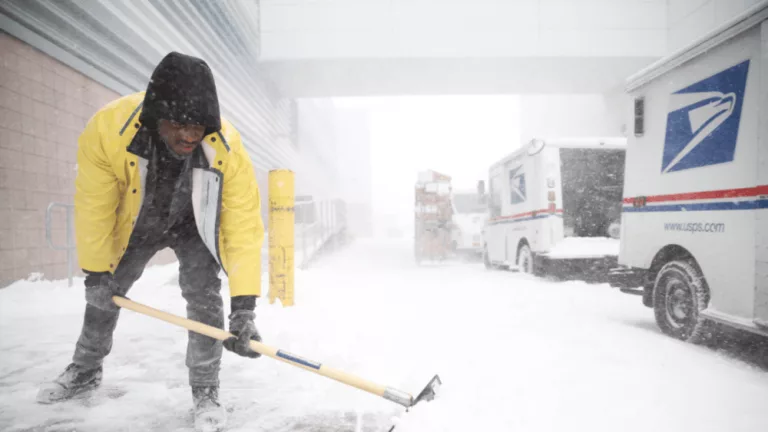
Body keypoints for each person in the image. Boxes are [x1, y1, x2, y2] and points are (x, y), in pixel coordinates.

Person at [36, 52, 265, 432]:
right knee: (106, 294)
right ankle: (84, 370)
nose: (191, 135)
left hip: (193, 221)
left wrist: (244, 308)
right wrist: (95, 274)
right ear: (156, 115)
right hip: (137, 219)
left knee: (205, 297)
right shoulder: (108, 130)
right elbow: (94, 206)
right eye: (179, 124)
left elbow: (242, 224)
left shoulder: (226, 145)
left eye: (198, 125)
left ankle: (206, 389)